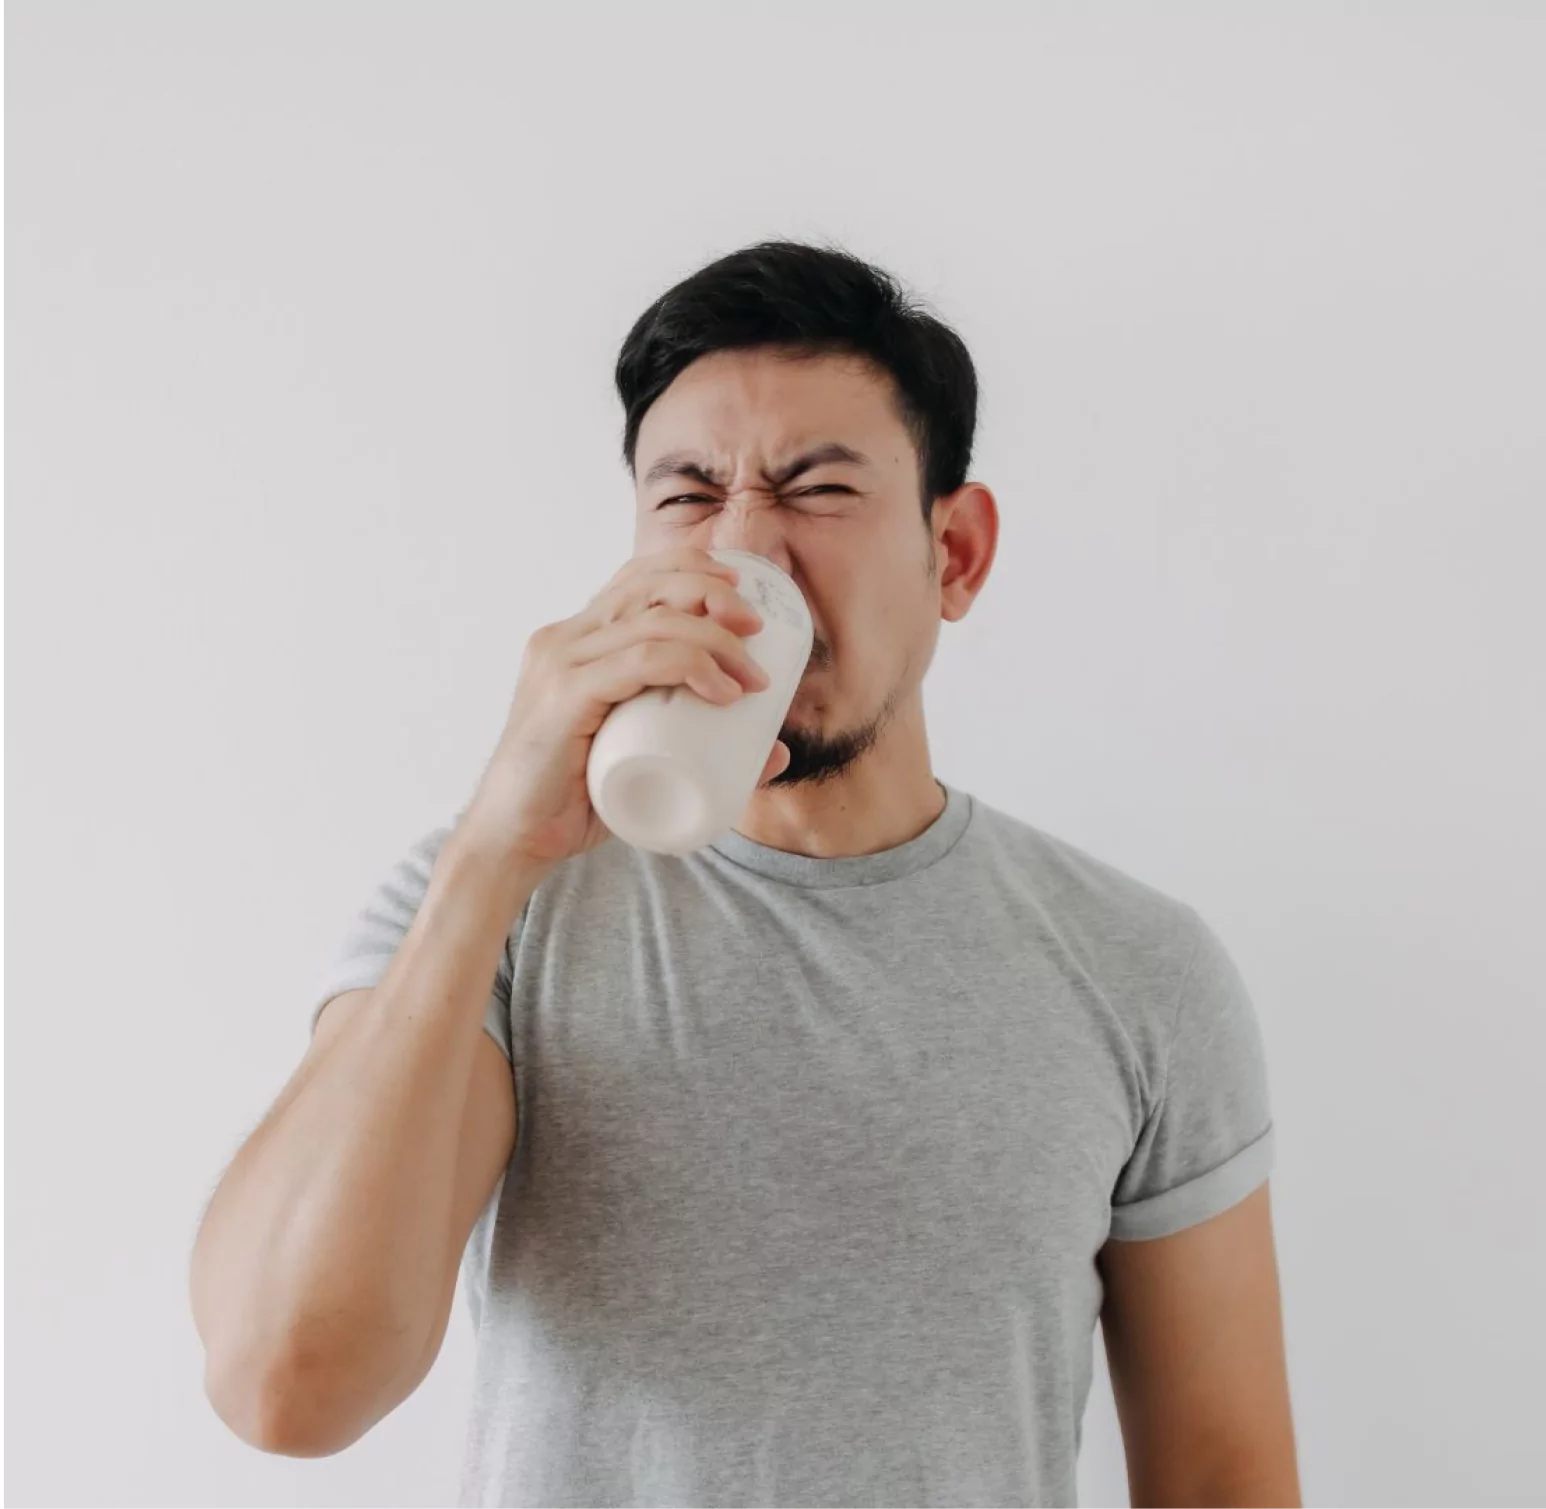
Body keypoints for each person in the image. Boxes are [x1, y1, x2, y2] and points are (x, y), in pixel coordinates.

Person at [189, 240, 1300, 1507]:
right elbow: (288, 1387)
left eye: (816, 489)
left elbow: (1223, 1476)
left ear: (953, 554)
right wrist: (491, 853)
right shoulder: (495, 912)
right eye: (687, 496)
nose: (744, 549)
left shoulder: (1135, 969)